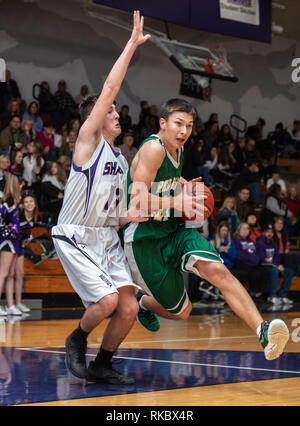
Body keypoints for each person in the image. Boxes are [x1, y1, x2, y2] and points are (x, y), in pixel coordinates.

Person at [123, 97, 289, 362]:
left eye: (189, 125)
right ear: (162, 123)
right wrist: (178, 201)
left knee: (220, 272)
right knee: (182, 312)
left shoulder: (178, 148)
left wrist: (185, 184)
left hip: (175, 231)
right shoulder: (153, 149)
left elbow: (169, 178)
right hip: (145, 239)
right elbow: (137, 200)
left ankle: (263, 331)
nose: (184, 131)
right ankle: (142, 302)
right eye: (178, 124)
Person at [51, 11, 155, 384]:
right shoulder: (88, 141)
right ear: (94, 117)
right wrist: (130, 45)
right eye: (109, 111)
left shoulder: (120, 160)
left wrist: (139, 214)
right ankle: (76, 340)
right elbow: (110, 88)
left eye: (113, 111)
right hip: (76, 233)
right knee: (108, 302)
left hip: (105, 236)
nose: (115, 113)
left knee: (126, 307)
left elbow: (115, 214)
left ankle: (102, 364)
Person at [0, 173, 23, 316]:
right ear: (15, 184)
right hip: (8, 241)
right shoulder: (8, 200)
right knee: (2, 273)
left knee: (11, 274)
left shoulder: (15, 200)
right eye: (19, 184)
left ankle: (10, 305)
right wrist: (5, 229)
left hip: (15, 240)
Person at [256, 223, 293, 305]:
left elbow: (277, 257)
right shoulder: (259, 242)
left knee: (289, 271)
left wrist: (277, 264)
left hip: (273, 265)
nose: (269, 234)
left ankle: (282, 295)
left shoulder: (274, 243)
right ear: (264, 233)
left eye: (271, 232)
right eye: (267, 232)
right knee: (274, 270)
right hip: (263, 266)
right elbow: (262, 258)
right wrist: (276, 265)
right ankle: (272, 296)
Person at [232, 222, 269, 298]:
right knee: (255, 273)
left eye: (247, 228)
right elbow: (238, 254)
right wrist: (251, 258)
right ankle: (254, 293)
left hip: (252, 263)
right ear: (239, 230)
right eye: (243, 228)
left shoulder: (250, 240)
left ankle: (262, 294)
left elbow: (255, 252)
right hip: (241, 263)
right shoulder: (235, 240)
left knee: (265, 271)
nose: (245, 230)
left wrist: (255, 259)